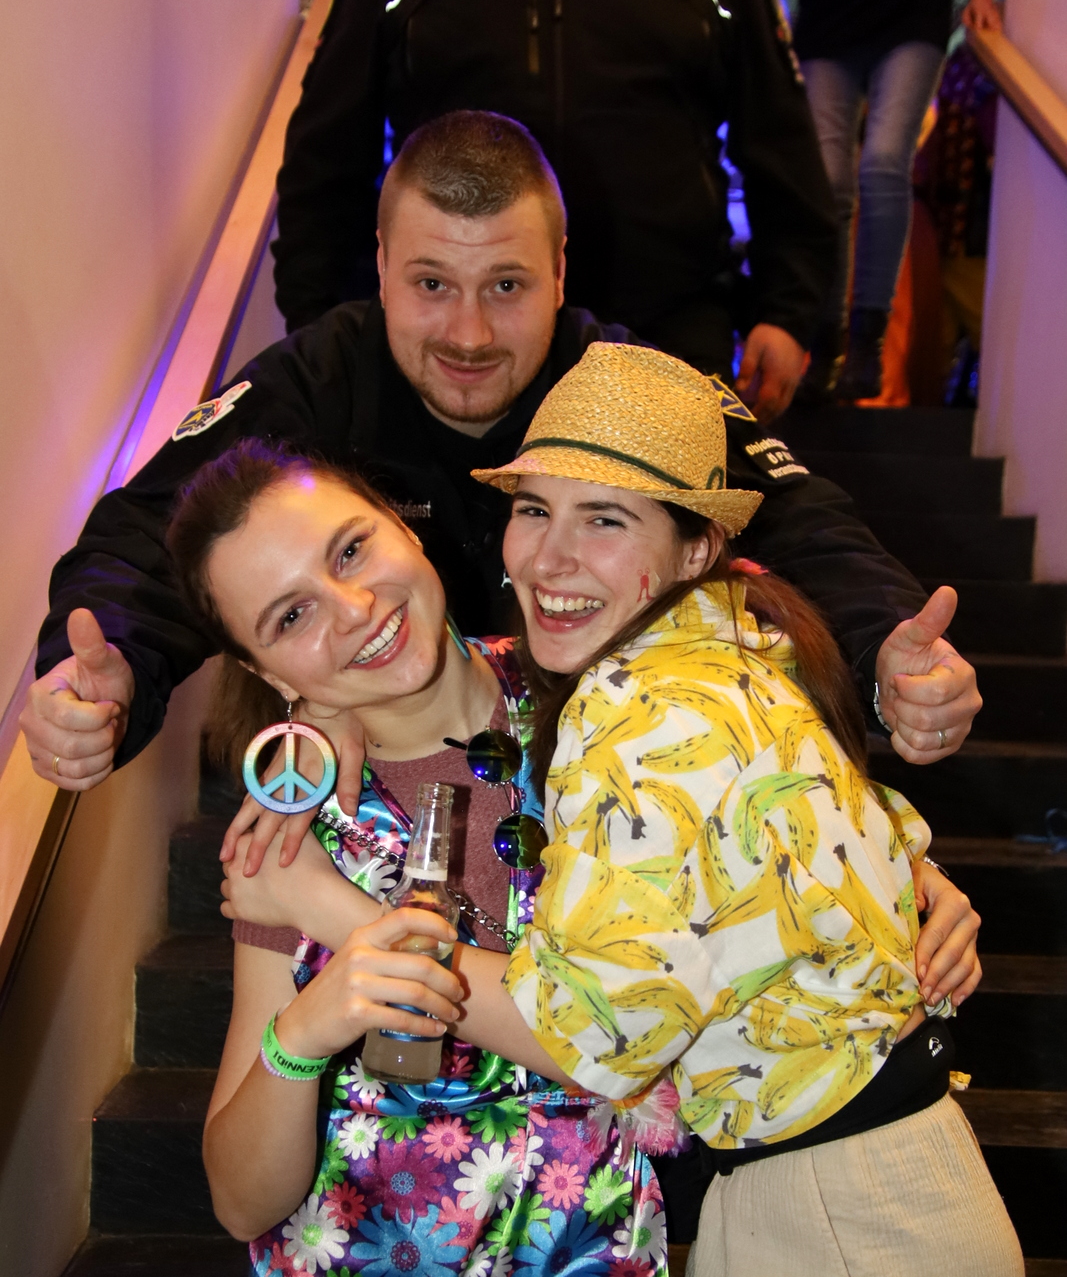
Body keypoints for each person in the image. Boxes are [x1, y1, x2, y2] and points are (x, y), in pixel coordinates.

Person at [22, 112, 981, 835]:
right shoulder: (311, 381)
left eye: (507, 286)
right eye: (432, 284)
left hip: (609, 786)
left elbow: (798, 520)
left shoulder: (631, 385)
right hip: (384, 788)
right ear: (381, 264)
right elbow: (152, 533)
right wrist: (104, 677)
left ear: (560, 270)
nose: (470, 333)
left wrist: (886, 656)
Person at [461, 340, 1022, 1277]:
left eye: (604, 519)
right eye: (532, 508)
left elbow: (595, 1035)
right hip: (862, 1202)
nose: (548, 557)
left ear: (694, 548)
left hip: (837, 1230)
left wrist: (352, 932)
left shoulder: (642, 708)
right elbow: (879, 861)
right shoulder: (738, 655)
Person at [168, 440, 684, 1277]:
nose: (353, 609)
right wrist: (304, 1031)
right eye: (291, 616)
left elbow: (621, 1031)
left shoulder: (605, 713)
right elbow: (240, 1197)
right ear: (270, 675)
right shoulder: (289, 828)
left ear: (407, 524)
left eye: (352, 550)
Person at [271, 0, 839, 417]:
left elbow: (778, 134)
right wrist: (318, 327)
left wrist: (787, 312)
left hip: (666, 335)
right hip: (460, 344)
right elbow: (327, 149)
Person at [792, 0, 1003, 402]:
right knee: (827, 180)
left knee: (884, 163)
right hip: (831, 4)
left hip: (913, 9)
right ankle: (826, 344)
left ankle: (867, 344)